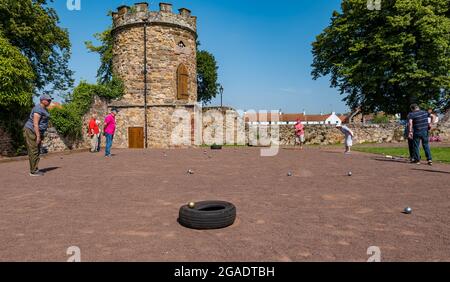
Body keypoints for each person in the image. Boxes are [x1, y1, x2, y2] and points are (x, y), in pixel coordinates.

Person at [23, 94, 52, 176]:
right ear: (43, 100)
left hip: (37, 132)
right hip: (31, 131)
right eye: (48, 100)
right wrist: (38, 136)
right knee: (33, 150)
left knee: (37, 150)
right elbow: (35, 124)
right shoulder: (38, 109)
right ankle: (33, 171)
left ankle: (35, 168)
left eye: (50, 100)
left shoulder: (44, 109)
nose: (50, 101)